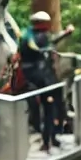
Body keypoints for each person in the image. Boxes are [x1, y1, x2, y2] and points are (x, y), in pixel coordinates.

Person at [17, 10, 66, 152]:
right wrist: (47, 50)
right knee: (50, 107)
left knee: (51, 106)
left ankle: (51, 137)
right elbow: (40, 47)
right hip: (41, 78)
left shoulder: (30, 34)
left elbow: (49, 42)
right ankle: (49, 139)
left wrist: (64, 34)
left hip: (39, 77)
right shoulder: (34, 37)